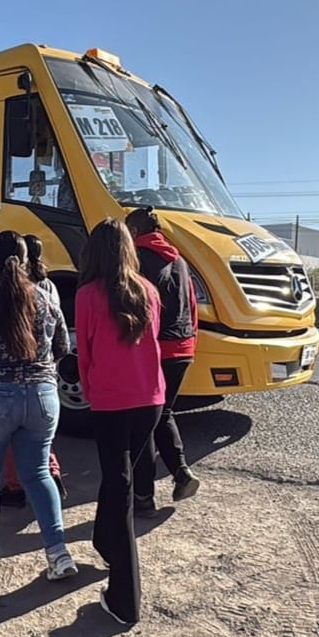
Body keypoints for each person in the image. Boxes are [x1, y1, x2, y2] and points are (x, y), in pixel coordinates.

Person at [0, 231, 77, 581]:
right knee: (38, 474)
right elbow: (62, 348)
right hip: (42, 396)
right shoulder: (47, 300)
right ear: (26, 262)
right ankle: (59, 554)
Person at [75, 217, 165, 626]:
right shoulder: (148, 290)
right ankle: (104, 543)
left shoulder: (87, 295)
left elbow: (85, 357)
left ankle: (124, 600)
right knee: (119, 482)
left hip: (110, 403)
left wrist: (94, 397)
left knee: (119, 485)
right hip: (150, 400)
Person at [125, 207, 201, 510]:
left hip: (156, 349)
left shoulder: (136, 261)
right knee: (163, 413)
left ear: (134, 232)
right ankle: (181, 473)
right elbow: (192, 305)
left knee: (142, 421)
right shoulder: (180, 260)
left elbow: (137, 309)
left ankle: (143, 496)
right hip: (183, 347)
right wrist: (191, 340)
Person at [0, 234, 67, 507]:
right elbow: (61, 340)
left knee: (11, 440)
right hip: (43, 375)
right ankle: (52, 471)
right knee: (40, 438)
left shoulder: (9, 292)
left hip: (8, 378)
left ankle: (14, 487)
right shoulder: (49, 287)